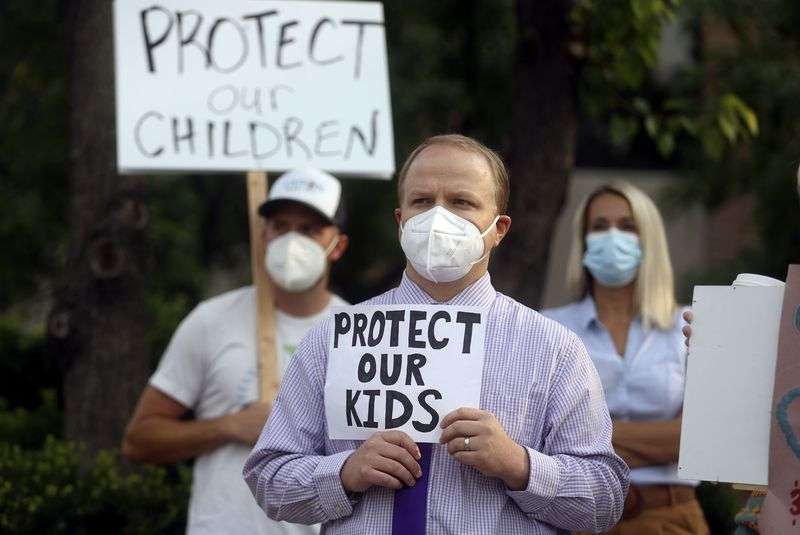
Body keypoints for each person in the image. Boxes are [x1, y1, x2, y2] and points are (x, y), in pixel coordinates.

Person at [243, 134, 629, 534]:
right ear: (400, 220)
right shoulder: (334, 338)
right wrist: (344, 472)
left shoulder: (553, 348)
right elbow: (269, 479)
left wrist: (519, 465)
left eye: (461, 202)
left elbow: (604, 499)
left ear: (499, 228)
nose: (438, 217)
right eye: (422, 201)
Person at [121, 167, 350, 535]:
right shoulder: (211, 321)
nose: (292, 241)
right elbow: (139, 441)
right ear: (263, 236)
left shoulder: (358, 336)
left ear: (337, 245)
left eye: (308, 230)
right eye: (280, 227)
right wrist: (228, 427)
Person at [542, 180, 709, 534]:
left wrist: (584, 442)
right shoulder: (550, 328)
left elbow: (701, 438)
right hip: (578, 516)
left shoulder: (692, 325)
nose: (612, 236)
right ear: (583, 240)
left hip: (670, 518)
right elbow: (539, 437)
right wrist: (663, 440)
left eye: (628, 226)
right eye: (600, 226)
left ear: (649, 239)